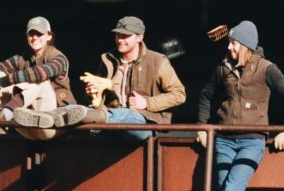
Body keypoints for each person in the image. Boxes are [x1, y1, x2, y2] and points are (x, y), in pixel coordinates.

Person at [191, 21, 284, 191]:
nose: (229, 47)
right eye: (229, 42)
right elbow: (205, 97)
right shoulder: (223, 68)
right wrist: (201, 127)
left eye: (234, 43)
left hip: (252, 142)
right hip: (224, 141)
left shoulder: (267, 68)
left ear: (246, 46)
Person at [18, 16, 186, 141]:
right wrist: (92, 94)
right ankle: (48, 118)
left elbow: (179, 94)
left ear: (140, 37)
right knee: (76, 111)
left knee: (125, 114)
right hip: (107, 123)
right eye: (118, 35)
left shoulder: (157, 61)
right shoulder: (108, 59)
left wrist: (147, 103)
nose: (120, 40)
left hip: (142, 123)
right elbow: (97, 96)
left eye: (125, 36)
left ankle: (87, 116)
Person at [0, 16, 75, 139]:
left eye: (39, 34)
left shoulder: (59, 58)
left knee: (39, 81)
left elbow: (39, 73)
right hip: (25, 119)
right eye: (31, 34)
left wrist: (2, 82)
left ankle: (1, 119)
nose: (35, 38)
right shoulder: (22, 59)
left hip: (52, 121)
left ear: (49, 36)